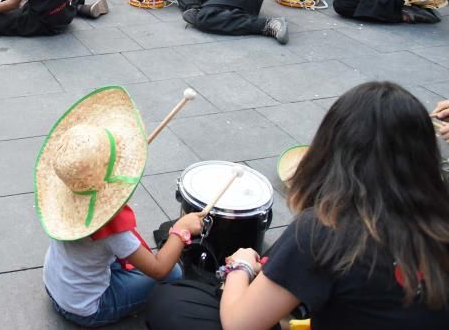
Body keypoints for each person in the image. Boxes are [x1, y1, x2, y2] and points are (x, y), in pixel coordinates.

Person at [147, 80, 449, 330]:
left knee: (173, 304)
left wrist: (240, 267)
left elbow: (239, 325)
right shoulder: (440, 212)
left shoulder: (325, 230)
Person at [38, 86, 201, 327]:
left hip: (56, 288)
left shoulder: (68, 206)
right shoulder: (112, 228)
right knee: (173, 273)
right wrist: (181, 229)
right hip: (87, 309)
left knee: (119, 257)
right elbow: (159, 270)